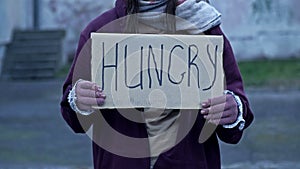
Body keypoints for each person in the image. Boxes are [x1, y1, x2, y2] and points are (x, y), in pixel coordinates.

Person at [60, 0, 254, 169]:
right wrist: (79, 99)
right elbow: (74, 115)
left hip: (189, 162)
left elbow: (236, 104)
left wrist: (232, 110)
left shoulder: (204, 27)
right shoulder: (100, 30)